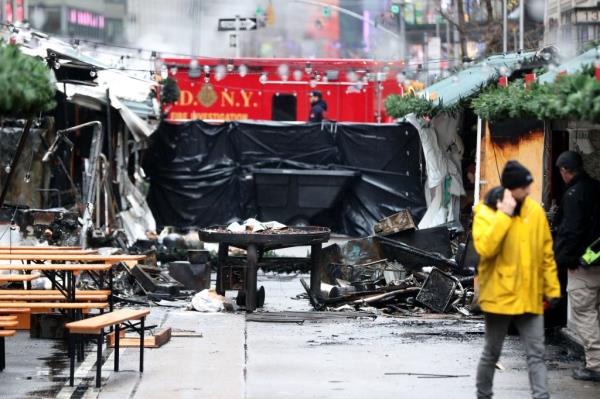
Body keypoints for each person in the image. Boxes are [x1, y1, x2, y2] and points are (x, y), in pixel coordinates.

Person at [473, 160, 561, 399]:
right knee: (492, 352)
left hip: (530, 295)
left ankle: (541, 397)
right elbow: (486, 249)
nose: (529, 191)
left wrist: (552, 289)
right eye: (525, 187)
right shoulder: (486, 211)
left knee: (536, 353)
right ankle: (483, 395)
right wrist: (504, 216)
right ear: (512, 189)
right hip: (499, 296)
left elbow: (546, 253)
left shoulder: (534, 211)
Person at [553, 151, 600, 382]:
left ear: (564, 170)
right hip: (596, 259)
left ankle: (595, 365)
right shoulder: (596, 188)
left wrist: (568, 260)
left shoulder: (574, 194)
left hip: (583, 267)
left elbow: (572, 231)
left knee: (585, 313)